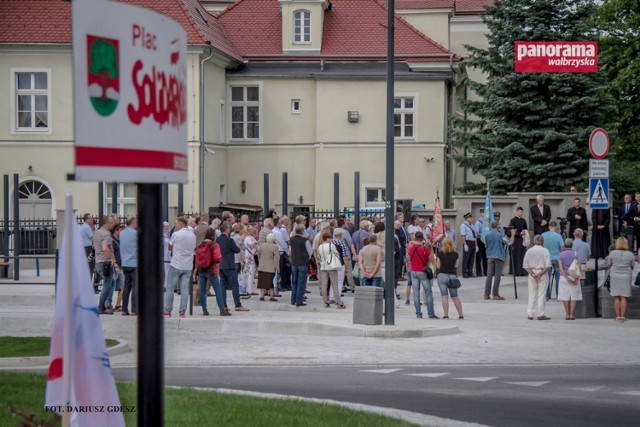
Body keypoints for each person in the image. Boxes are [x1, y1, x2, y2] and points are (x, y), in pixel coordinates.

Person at [164, 217, 196, 318]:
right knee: (184, 289)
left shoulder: (176, 234)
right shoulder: (192, 236)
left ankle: (167, 310)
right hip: (188, 265)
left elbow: (169, 247)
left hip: (176, 263)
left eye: (176, 224)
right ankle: (182, 312)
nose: (175, 226)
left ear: (181, 224)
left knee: (170, 287)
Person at [217, 223, 249, 313]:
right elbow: (237, 249)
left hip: (221, 264)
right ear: (227, 229)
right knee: (235, 285)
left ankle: (224, 305)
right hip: (229, 265)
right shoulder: (229, 240)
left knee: (222, 285)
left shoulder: (218, 239)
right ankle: (237, 304)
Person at [408, 231, 438, 319]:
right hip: (422, 271)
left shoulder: (410, 248)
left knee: (416, 293)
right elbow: (431, 259)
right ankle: (430, 313)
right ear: (422, 239)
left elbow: (409, 258)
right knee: (428, 292)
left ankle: (418, 313)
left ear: (414, 238)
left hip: (413, 271)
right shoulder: (425, 249)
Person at [196, 228, 224, 316]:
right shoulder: (214, 245)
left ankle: (205, 310)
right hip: (212, 270)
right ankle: (222, 310)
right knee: (218, 290)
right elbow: (217, 258)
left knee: (202, 291)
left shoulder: (200, 245)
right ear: (213, 236)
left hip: (201, 270)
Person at [523, 235, 552, 320]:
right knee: (541, 294)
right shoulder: (545, 251)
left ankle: (530, 313)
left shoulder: (529, 251)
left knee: (532, 294)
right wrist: (539, 274)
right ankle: (540, 313)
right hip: (542, 272)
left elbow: (525, 265)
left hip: (532, 272)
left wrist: (532, 274)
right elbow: (547, 265)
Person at [607, 237, 636, 323]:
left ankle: (617, 316)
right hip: (626, 276)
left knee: (616, 296)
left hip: (615, 275)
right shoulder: (630, 254)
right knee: (624, 296)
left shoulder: (612, 253)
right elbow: (632, 266)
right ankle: (623, 316)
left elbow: (609, 265)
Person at [436, 236, 464, 319]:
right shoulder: (455, 254)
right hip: (452, 276)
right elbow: (456, 265)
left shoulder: (440, 253)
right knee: (455, 296)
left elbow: (438, 266)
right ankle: (460, 314)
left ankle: (446, 314)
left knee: (444, 296)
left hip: (442, 275)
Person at [94, 216, 117, 315]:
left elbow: (94, 246)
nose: (113, 224)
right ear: (106, 223)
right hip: (105, 262)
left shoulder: (97, 232)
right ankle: (101, 307)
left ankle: (108, 302)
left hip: (98, 261)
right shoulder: (106, 234)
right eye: (112, 222)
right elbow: (105, 248)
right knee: (107, 285)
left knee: (112, 282)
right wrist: (113, 258)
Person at [317, 231, 346, 308]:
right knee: (334, 284)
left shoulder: (320, 246)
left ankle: (325, 302)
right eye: (330, 238)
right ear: (327, 238)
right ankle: (338, 302)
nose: (331, 239)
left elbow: (319, 256)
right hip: (332, 266)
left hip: (323, 267)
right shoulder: (331, 245)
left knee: (324, 285)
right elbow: (337, 254)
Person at [557, 238, 581, 320]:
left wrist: (566, 278)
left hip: (564, 277)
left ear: (564, 245)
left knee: (565, 296)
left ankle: (567, 314)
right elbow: (579, 266)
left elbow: (560, 268)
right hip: (574, 276)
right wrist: (577, 278)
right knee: (574, 296)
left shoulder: (561, 254)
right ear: (572, 245)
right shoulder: (575, 253)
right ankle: (572, 314)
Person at [119, 216, 138, 316]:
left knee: (126, 286)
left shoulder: (122, 233)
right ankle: (134, 310)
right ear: (133, 222)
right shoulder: (136, 234)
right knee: (135, 286)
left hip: (125, 263)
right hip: (134, 263)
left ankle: (124, 309)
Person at [541, 221, 564, 299]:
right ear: (556, 227)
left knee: (547, 278)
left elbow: (541, 247)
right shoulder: (559, 236)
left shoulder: (543, 235)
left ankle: (547, 295)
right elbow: (562, 248)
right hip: (556, 258)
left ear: (549, 227)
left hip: (546, 259)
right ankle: (558, 295)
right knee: (558, 278)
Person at [484, 221, 506, 301]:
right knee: (497, 276)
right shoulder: (500, 235)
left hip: (490, 255)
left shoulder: (487, 235)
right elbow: (508, 242)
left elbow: (486, 245)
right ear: (497, 226)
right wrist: (512, 235)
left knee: (489, 276)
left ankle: (486, 294)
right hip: (498, 256)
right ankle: (495, 294)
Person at [257, 233, 280, 302]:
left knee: (262, 282)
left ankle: (262, 296)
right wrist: (277, 268)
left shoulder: (262, 245)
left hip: (262, 266)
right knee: (270, 282)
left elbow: (259, 255)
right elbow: (276, 258)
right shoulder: (275, 246)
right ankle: (272, 296)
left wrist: (260, 262)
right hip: (270, 267)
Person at [289, 224, 308, 306]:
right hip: (303, 262)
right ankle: (299, 300)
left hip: (294, 261)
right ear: (303, 231)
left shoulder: (291, 239)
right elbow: (309, 251)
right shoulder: (304, 240)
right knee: (301, 282)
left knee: (294, 281)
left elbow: (290, 250)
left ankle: (293, 299)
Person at [239, 225, 258, 298]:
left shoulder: (249, 237)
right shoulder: (248, 238)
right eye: (252, 229)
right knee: (250, 274)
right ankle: (249, 290)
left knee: (250, 274)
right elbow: (253, 245)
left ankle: (249, 290)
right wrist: (256, 244)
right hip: (250, 257)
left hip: (250, 256)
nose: (254, 230)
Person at [509, 207, 528, 276]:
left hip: (522, 240)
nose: (521, 213)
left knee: (522, 255)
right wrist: (519, 233)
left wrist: (524, 232)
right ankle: (516, 272)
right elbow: (511, 230)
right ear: (517, 212)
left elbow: (526, 229)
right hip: (516, 240)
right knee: (516, 255)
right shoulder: (513, 220)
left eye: (522, 212)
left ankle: (522, 271)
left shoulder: (523, 220)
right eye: (520, 212)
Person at [111, 222, 124, 313]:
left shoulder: (119, 239)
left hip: (121, 265)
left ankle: (118, 304)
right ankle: (108, 303)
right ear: (116, 230)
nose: (122, 232)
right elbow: (111, 253)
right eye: (120, 230)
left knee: (122, 286)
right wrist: (115, 265)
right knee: (111, 286)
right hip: (115, 266)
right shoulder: (112, 240)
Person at [459, 212, 477, 278]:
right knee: (466, 258)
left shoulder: (472, 225)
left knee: (472, 258)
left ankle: (470, 271)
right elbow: (462, 235)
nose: (472, 219)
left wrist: (476, 245)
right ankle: (465, 272)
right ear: (467, 218)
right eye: (470, 217)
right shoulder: (463, 225)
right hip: (467, 242)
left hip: (472, 242)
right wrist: (465, 244)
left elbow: (475, 236)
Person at [80, 213, 96, 284]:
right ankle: (88, 284)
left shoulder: (83, 226)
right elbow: (92, 238)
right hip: (88, 248)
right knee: (90, 267)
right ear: (86, 219)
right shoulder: (87, 227)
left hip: (84, 248)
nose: (92, 219)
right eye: (90, 218)